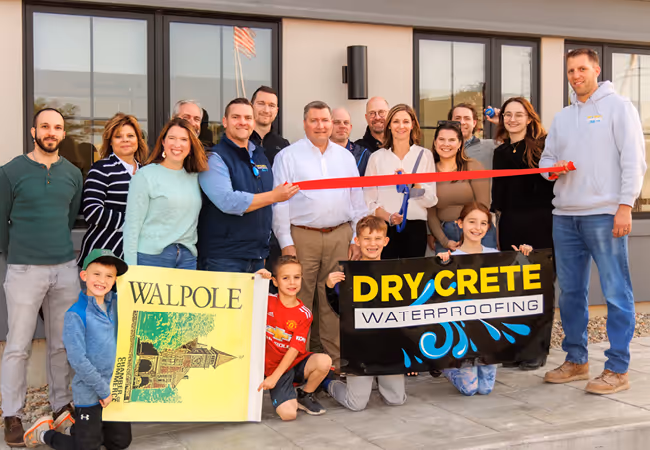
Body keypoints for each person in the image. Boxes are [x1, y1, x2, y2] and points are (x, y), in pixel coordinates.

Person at [540, 48, 647, 395]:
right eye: (571, 70)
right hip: (565, 216)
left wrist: (625, 206)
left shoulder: (619, 108)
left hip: (605, 214)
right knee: (570, 293)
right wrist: (550, 170)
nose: (575, 75)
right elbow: (547, 161)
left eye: (582, 68)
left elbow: (635, 160)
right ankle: (576, 360)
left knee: (617, 292)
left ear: (596, 69)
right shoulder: (562, 118)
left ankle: (617, 368)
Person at [0, 108, 83, 447]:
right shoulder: (10, 172)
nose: (51, 132)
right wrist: (19, 255)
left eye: (58, 127)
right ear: (33, 131)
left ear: (63, 134)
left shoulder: (73, 173)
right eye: (45, 126)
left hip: (64, 269)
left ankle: (61, 405)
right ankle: (12, 414)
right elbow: (0, 224)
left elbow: (69, 217)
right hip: (24, 270)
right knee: (18, 346)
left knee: (61, 344)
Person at [272, 101, 368, 369]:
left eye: (326, 120)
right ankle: (298, 367)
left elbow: (356, 199)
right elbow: (280, 203)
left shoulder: (345, 157)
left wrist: (355, 239)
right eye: (314, 120)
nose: (321, 125)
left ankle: (334, 366)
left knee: (333, 300)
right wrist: (286, 243)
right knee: (298, 300)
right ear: (304, 123)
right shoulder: (288, 156)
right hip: (302, 236)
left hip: (340, 235)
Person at [23, 249, 131, 449]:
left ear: (115, 280)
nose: (102, 280)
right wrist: (102, 390)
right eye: (96, 274)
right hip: (90, 392)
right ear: (84, 276)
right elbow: (78, 359)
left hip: (114, 390)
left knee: (120, 442)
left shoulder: (117, 305)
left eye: (109, 276)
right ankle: (45, 434)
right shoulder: (76, 314)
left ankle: (79, 429)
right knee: (88, 447)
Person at [436, 202, 533, 396]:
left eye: (483, 223)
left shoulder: (496, 256)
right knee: (470, 389)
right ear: (460, 223)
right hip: (462, 335)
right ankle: (447, 366)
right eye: (472, 222)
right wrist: (439, 266)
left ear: (488, 227)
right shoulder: (450, 257)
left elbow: (514, 286)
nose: (477, 228)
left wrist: (523, 259)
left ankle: (481, 361)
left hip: (488, 334)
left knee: (486, 388)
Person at [197, 98, 298, 273]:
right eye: (236, 117)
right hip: (223, 259)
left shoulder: (260, 156)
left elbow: (267, 207)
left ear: (253, 122)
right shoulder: (214, 158)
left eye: (247, 118)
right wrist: (274, 196)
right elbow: (227, 201)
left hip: (257, 257)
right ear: (225, 122)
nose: (242, 122)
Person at [491, 97, 554, 371]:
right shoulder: (500, 152)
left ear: (530, 118)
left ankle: (537, 350)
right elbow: (499, 195)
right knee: (513, 289)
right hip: (511, 225)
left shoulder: (544, 147)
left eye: (519, 114)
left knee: (539, 287)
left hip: (541, 224)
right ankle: (516, 347)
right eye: (507, 114)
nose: (512, 119)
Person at [325, 215, 408, 411]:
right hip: (359, 347)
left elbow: (408, 311)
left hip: (389, 347)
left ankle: (379, 378)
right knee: (356, 404)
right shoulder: (347, 274)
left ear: (386, 241)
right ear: (357, 241)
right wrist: (330, 288)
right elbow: (339, 311)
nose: (372, 244)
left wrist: (441, 262)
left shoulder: (396, 271)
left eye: (378, 239)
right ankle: (327, 383)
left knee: (397, 399)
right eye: (367, 239)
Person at [123, 117, 208, 269]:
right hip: (152, 258)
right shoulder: (145, 175)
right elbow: (132, 225)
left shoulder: (197, 177)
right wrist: (130, 269)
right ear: (163, 142)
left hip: (187, 258)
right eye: (172, 138)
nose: (177, 144)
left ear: (191, 145)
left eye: (184, 139)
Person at [257, 256, 332, 420]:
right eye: (285, 278)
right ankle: (286, 393)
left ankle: (305, 395)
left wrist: (275, 377)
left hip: (288, 365)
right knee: (288, 413)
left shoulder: (303, 314)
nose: (292, 283)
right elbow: (241, 293)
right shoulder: (265, 299)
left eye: (296, 277)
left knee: (289, 415)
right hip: (262, 364)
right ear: (275, 281)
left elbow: (293, 350)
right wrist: (256, 278)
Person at [364, 104, 437, 259]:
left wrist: (414, 183)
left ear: (412, 125)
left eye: (406, 121)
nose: (401, 126)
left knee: (414, 278)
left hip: (416, 228)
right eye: (396, 121)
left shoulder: (425, 156)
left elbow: (431, 200)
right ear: (389, 125)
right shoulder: (376, 158)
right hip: (384, 229)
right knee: (386, 277)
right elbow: (368, 200)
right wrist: (389, 217)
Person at [77, 113, 148, 267]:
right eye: (118, 136)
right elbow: (92, 211)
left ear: (138, 140)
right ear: (110, 142)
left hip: (137, 255)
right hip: (105, 253)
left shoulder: (147, 172)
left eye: (130, 135)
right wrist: (132, 224)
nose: (125, 140)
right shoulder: (101, 169)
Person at [427, 122, 495, 253]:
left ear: (459, 144)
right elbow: (431, 214)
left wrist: (471, 232)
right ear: (435, 143)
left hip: (478, 231)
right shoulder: (429, 172)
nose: (446, 144)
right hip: (446, 234)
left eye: (452, 140)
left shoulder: (473, 166)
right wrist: (444, 241)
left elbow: (484, 205)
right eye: (441, 139)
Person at [250, 86, 290, 167]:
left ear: (276, 111)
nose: (266, 110)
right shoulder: (241, 141)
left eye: (271, 105)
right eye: (261, 104)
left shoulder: (284, 146)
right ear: (251, 106)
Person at [448, 103, 497, 170]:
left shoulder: (492, 146)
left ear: (474, 123)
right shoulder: (442, 149)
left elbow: (514, 149)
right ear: (450, 122)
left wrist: (502, 122)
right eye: (457, 118)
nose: (462, 122)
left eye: (467, 118)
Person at [331, 107, 371, 176]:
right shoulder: (319, 153)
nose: (342, 126)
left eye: (346, 123)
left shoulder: (364, 155)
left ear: (350, 127)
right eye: (337, 122)